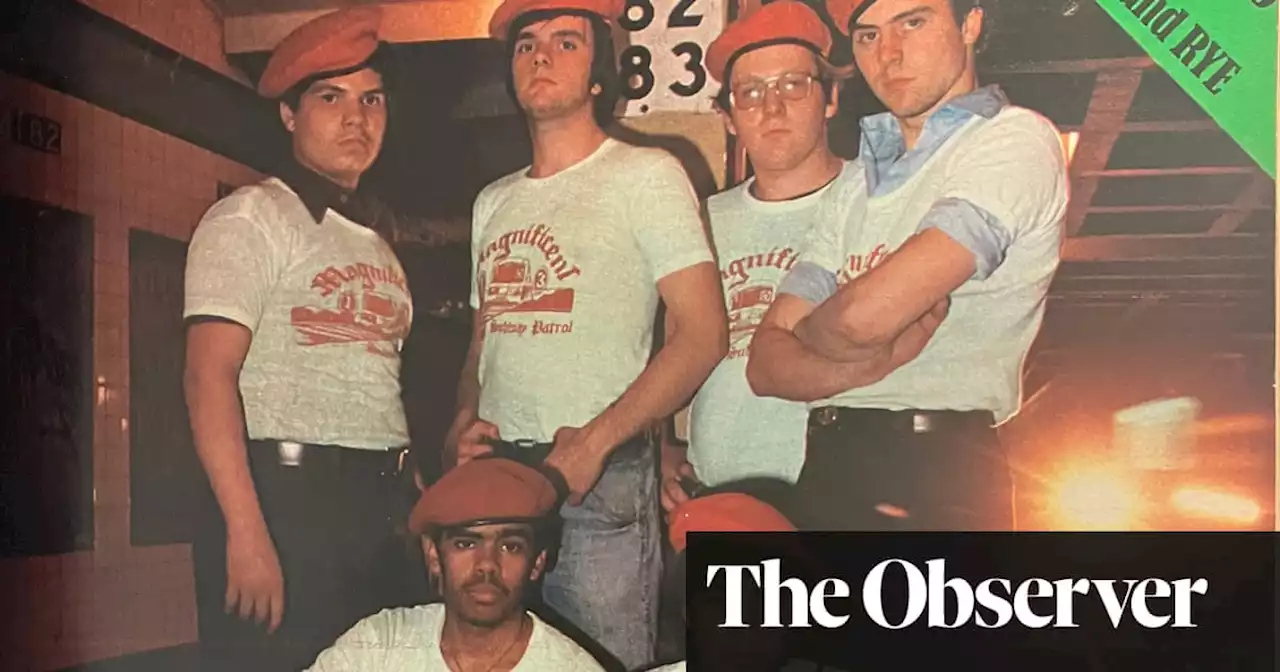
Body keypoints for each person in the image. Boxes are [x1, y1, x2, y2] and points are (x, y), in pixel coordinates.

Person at [442, 0, 730, 667]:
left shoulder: (647, 175)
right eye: (526, 45)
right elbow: (484, 342)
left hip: (600, 488)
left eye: (565, 42)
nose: (540, 56)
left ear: (600, 73)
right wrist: (462, 422)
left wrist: (594, 444)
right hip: (500, 485)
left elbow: (703, 333)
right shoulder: (494, 201)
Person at [747, 0, 1069, 531]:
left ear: (972, 23)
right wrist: (871, 361)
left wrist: (811, 337)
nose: (888, 55)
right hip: (829, 461)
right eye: (868, 36)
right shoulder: (854, 181)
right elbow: (763, 366)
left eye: (913, 23)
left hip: (937, 469)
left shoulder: (1013, 139)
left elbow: (860, 320)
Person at [183, 7, 415, 670]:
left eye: (372, 99)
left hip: (379, 512)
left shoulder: (377, 242)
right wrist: (246, 531)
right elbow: (207, 378)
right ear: (289, 115)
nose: (356, 118)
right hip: (285, 506)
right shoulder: (250, 218)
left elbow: (376, 384)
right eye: (331, 97)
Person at [660, 0, 867, 513]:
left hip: (843, 492)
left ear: (831, 98)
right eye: (750, 93)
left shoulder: (875, 198)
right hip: (719, 489)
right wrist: (659, 447)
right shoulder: (701, 220)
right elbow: (670, 352)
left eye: (792, 85)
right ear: (727, 117)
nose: (771, 108)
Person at [307, 457, 607, 670]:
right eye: (466, 544)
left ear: (537, 563)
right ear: (435, 556)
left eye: (510, 546)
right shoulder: (381, 644)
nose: (487, 565)